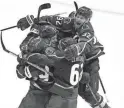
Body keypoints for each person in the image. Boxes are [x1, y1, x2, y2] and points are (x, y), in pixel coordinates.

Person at [17, 6, 110, 108]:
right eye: (78, 16)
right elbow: (46, 19)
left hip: (89, 59)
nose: (78, 19)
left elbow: (85, 45)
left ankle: (103, 106)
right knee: (62, 82)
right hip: (70, 57)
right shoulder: (67, 22)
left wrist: (75, 49)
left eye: (82, 18)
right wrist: (30, 20)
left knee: (86, 91)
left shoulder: (87, 31)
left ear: (88, 20)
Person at [16, 21, 89, 108]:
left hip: (50, 94)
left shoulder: (51, 56)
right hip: (67, 95)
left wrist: (25, 58)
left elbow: (42, 60)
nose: (55, 40)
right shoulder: (80, 57)